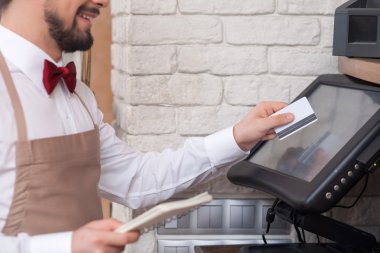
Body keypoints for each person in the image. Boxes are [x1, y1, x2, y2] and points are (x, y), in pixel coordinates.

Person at [0, 0, 294, 252]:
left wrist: (237, 138)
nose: (103, 2)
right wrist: (66, 246)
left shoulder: (79, 95)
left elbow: (135, 180)